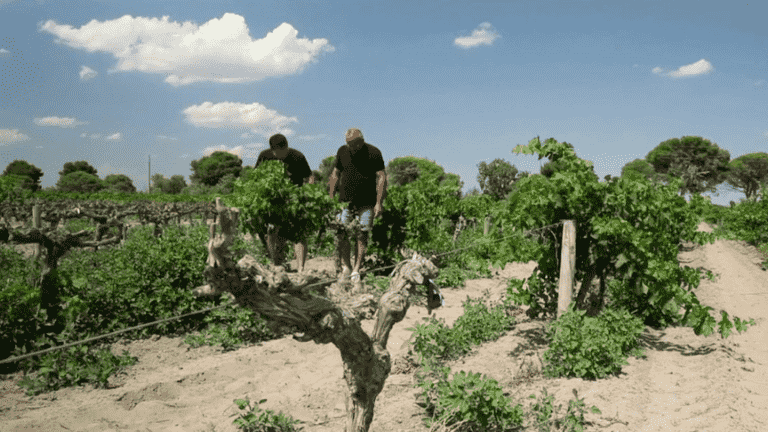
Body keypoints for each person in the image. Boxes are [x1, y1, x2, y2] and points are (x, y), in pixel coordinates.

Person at [328, 128, 387, 290]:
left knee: (362, 234)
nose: (350, 147)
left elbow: (381, 176)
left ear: (360, 141)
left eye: (352, 144)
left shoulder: (374, 152)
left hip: (366, 202)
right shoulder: (342, 151)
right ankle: (346, 267)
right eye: (347, 144)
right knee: (342, 233)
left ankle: (356, 270)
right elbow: (335, 173)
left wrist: (378, 202)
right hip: (344, 201)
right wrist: (331, 197)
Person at [255, 133, 315, 273]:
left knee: (299, 234)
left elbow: (309, 176)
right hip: (273, 202)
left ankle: (301, 268)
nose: (281, 155)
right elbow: (256, 176)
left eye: (283, 151)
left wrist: (309, 192)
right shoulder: (265, 156)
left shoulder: (297, 156)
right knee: (272, 232)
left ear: (287, 147)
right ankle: (276, 264)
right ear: (273, 150)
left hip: (295, 201)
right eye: (277, 152)